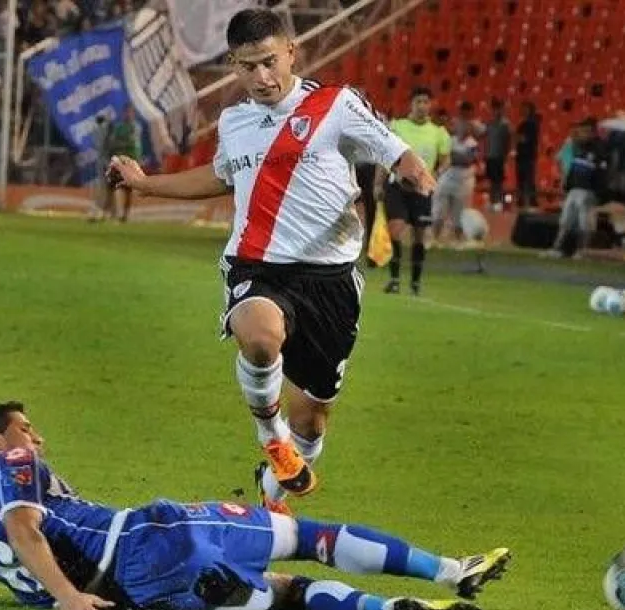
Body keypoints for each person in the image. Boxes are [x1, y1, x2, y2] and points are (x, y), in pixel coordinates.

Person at [105, 9, 437, 514]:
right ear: (233, 66)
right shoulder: (235, 121)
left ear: (291, 53)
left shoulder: (335, 105)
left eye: (268, 62)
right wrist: (145, 183)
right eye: (247, 67)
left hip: (330, 279)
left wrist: (415, 171)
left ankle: (273, 487)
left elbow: (394, 150)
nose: (261, 77)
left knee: (313, 421)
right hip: (257, 265)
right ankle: (270, 438)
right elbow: (220, 176)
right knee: (260, 339)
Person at [0, 402, 512, 610]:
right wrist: (67, 594)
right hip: (149, 536)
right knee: (310, 537)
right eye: (25, 429)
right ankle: (451, 570)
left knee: (289, 596)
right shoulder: (10, 469)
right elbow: (24, 527)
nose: (36, 440)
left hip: (142, 594)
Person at [380, 86, 450, 295]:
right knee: (395, 229)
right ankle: (394, 279)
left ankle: (415, 282)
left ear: (431, 105)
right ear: (411, 104)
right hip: (398, 186)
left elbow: (445, 160)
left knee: (419, 235)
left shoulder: (438, 132)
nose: (422, 106)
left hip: (422, 189)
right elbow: (384, 154)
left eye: (425, 102)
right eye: (418, 101)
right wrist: (378, 183)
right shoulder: (397, 126)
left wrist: (434, 175)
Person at [543, 118, 607, 259]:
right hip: (574, 190)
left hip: (588, 191)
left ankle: (582, 251)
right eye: (581, 131)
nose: (581, 134)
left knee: (584, 223)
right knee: (566, 221)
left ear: (592, 132)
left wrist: (597, 192)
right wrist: (568, 185)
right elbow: (573, 168)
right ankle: (558, 249)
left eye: (585, 131)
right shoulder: (580, 149)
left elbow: (601, 174)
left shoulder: (599, 149)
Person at [433, 114, 480, 246]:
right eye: (460, 126)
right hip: (447, 179)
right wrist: (454, 157)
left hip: (464, 182)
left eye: (465, 127)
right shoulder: (449, 140)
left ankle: (458, 240)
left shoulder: (473, 144)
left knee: (459, 213)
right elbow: (442, 156)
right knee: (439, 211)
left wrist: (452, 156)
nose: (462, 129)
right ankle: (435, 239)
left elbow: (468, 160)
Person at [106, 105, 143, 222]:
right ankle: (115, 212)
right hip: (120, 161)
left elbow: (132, 142)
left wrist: (121, 143)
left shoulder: (136, 127)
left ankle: (125, 214)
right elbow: (113, 143)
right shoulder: (119, 127)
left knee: (129, 189)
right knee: (115, 186)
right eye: (127, 112)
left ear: (133, 114)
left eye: (130, 112)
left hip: (132, 161)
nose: (128, 114)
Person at [484, 99, 511, 212]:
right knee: (491, 181)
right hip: (490, 156)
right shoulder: (489, 124)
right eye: (494, 109)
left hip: (500, 156)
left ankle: (498, 201)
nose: (497, 111)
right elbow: (486, 139)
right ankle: (492, 201)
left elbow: (508, 141)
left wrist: (506, 155)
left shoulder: (505, 124)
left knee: (498, 181)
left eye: (499, 108)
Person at [515, 102, 540, 209]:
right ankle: (522, 201)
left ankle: (532, 202)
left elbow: (524, 139)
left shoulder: (532, 124)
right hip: (521, 156)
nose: (523, 110)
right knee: (521, 180)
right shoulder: (522, 124)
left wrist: (516, 136)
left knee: (528, 180)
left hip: (528, 156)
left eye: (525, 108)